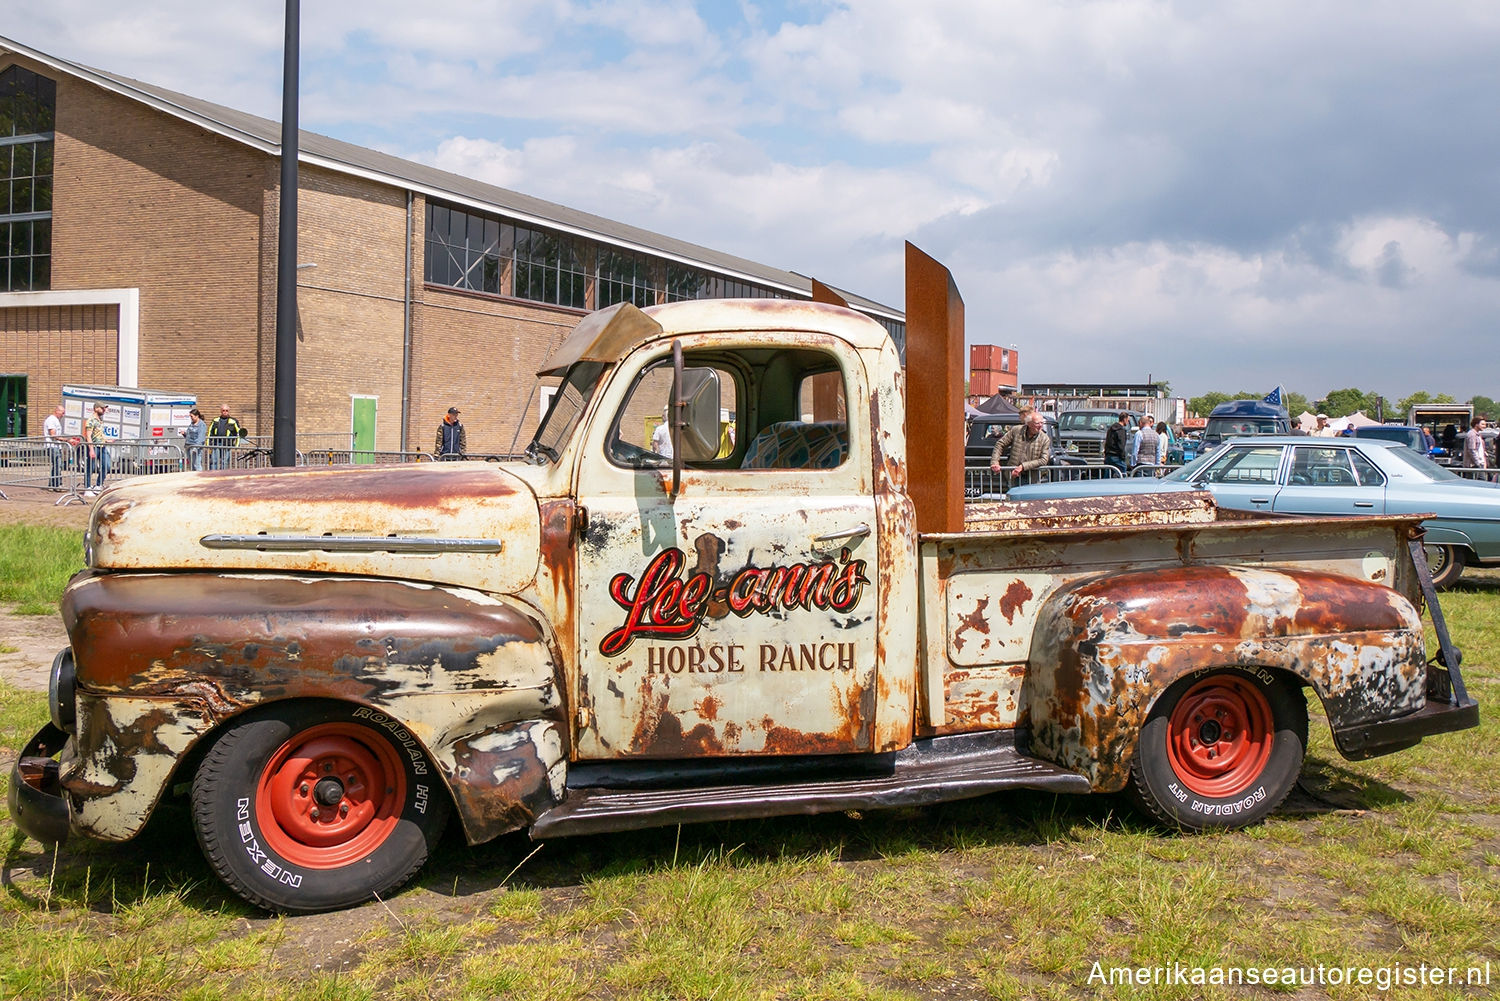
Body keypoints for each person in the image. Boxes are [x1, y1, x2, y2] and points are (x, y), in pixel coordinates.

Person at [988, 407, 1051, 489]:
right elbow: (1000, 444)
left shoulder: (1045, 438)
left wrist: (1023, 466)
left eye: (1042, 423)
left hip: (1032, 478)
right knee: (1013, 500)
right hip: (1014, 476)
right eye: (1037, 423)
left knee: (1029, 501)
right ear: (1028, 423)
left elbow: (1044, 460)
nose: (1040, 426)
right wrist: (995, 462)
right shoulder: (1016, 430)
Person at [208, 405, 246, 470]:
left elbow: (238, 433)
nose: (225, 412)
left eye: (226, 411)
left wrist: (236, 445)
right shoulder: (215, 420)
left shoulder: (233, 421)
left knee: (224, 462)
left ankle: (223, 475)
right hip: (216, 443)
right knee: (214, 461)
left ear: (228, 411)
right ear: (221, 411)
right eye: (223, 410)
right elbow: (210, 432)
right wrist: (208, 444)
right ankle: (212, 475)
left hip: (226, 445)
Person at [84, 403, 109, 495]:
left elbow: (100, 434)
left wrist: (107, 440)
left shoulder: (100, 420)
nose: (104, 410)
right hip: (94, 446)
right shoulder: (91, 420)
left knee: (107, 465)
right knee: (91, 467)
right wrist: (91, 449)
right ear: (96, 408)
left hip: (102, 446)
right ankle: (87, 487)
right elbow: (88, 436)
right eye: (102, 408)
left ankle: (98, 485)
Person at [43, 404, 65, 490]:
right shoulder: (51, 420)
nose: (63, 415)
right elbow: (53, 435)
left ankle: (52, 484)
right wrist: (66, 440)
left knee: (57, 465)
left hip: (56, 446)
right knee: (57, 464)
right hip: (52, 446)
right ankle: (56, 484)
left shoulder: (55, 420)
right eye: (62, 413)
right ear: (57, 411)